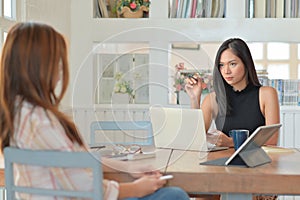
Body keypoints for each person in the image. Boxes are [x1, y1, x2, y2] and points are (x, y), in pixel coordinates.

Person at [0, 22, 190, 200]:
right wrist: (137, 188)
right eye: (57, 61)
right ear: (40, 66)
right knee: (174, 195)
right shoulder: (40, 120)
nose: (60, 69)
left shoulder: (18, 113)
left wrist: (126, 168)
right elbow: (84, 187)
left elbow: (78, 161)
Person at [185, 38, 280, 200]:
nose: (226, 71)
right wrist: (195, 99)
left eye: (232, 64)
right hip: (222, 169)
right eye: (222, 65)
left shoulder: (266, 93)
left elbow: (271, 140)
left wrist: (231, 142)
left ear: (246, 63)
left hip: (256, 168)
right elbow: (195, 138)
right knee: (200, 192)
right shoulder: (213, 99)